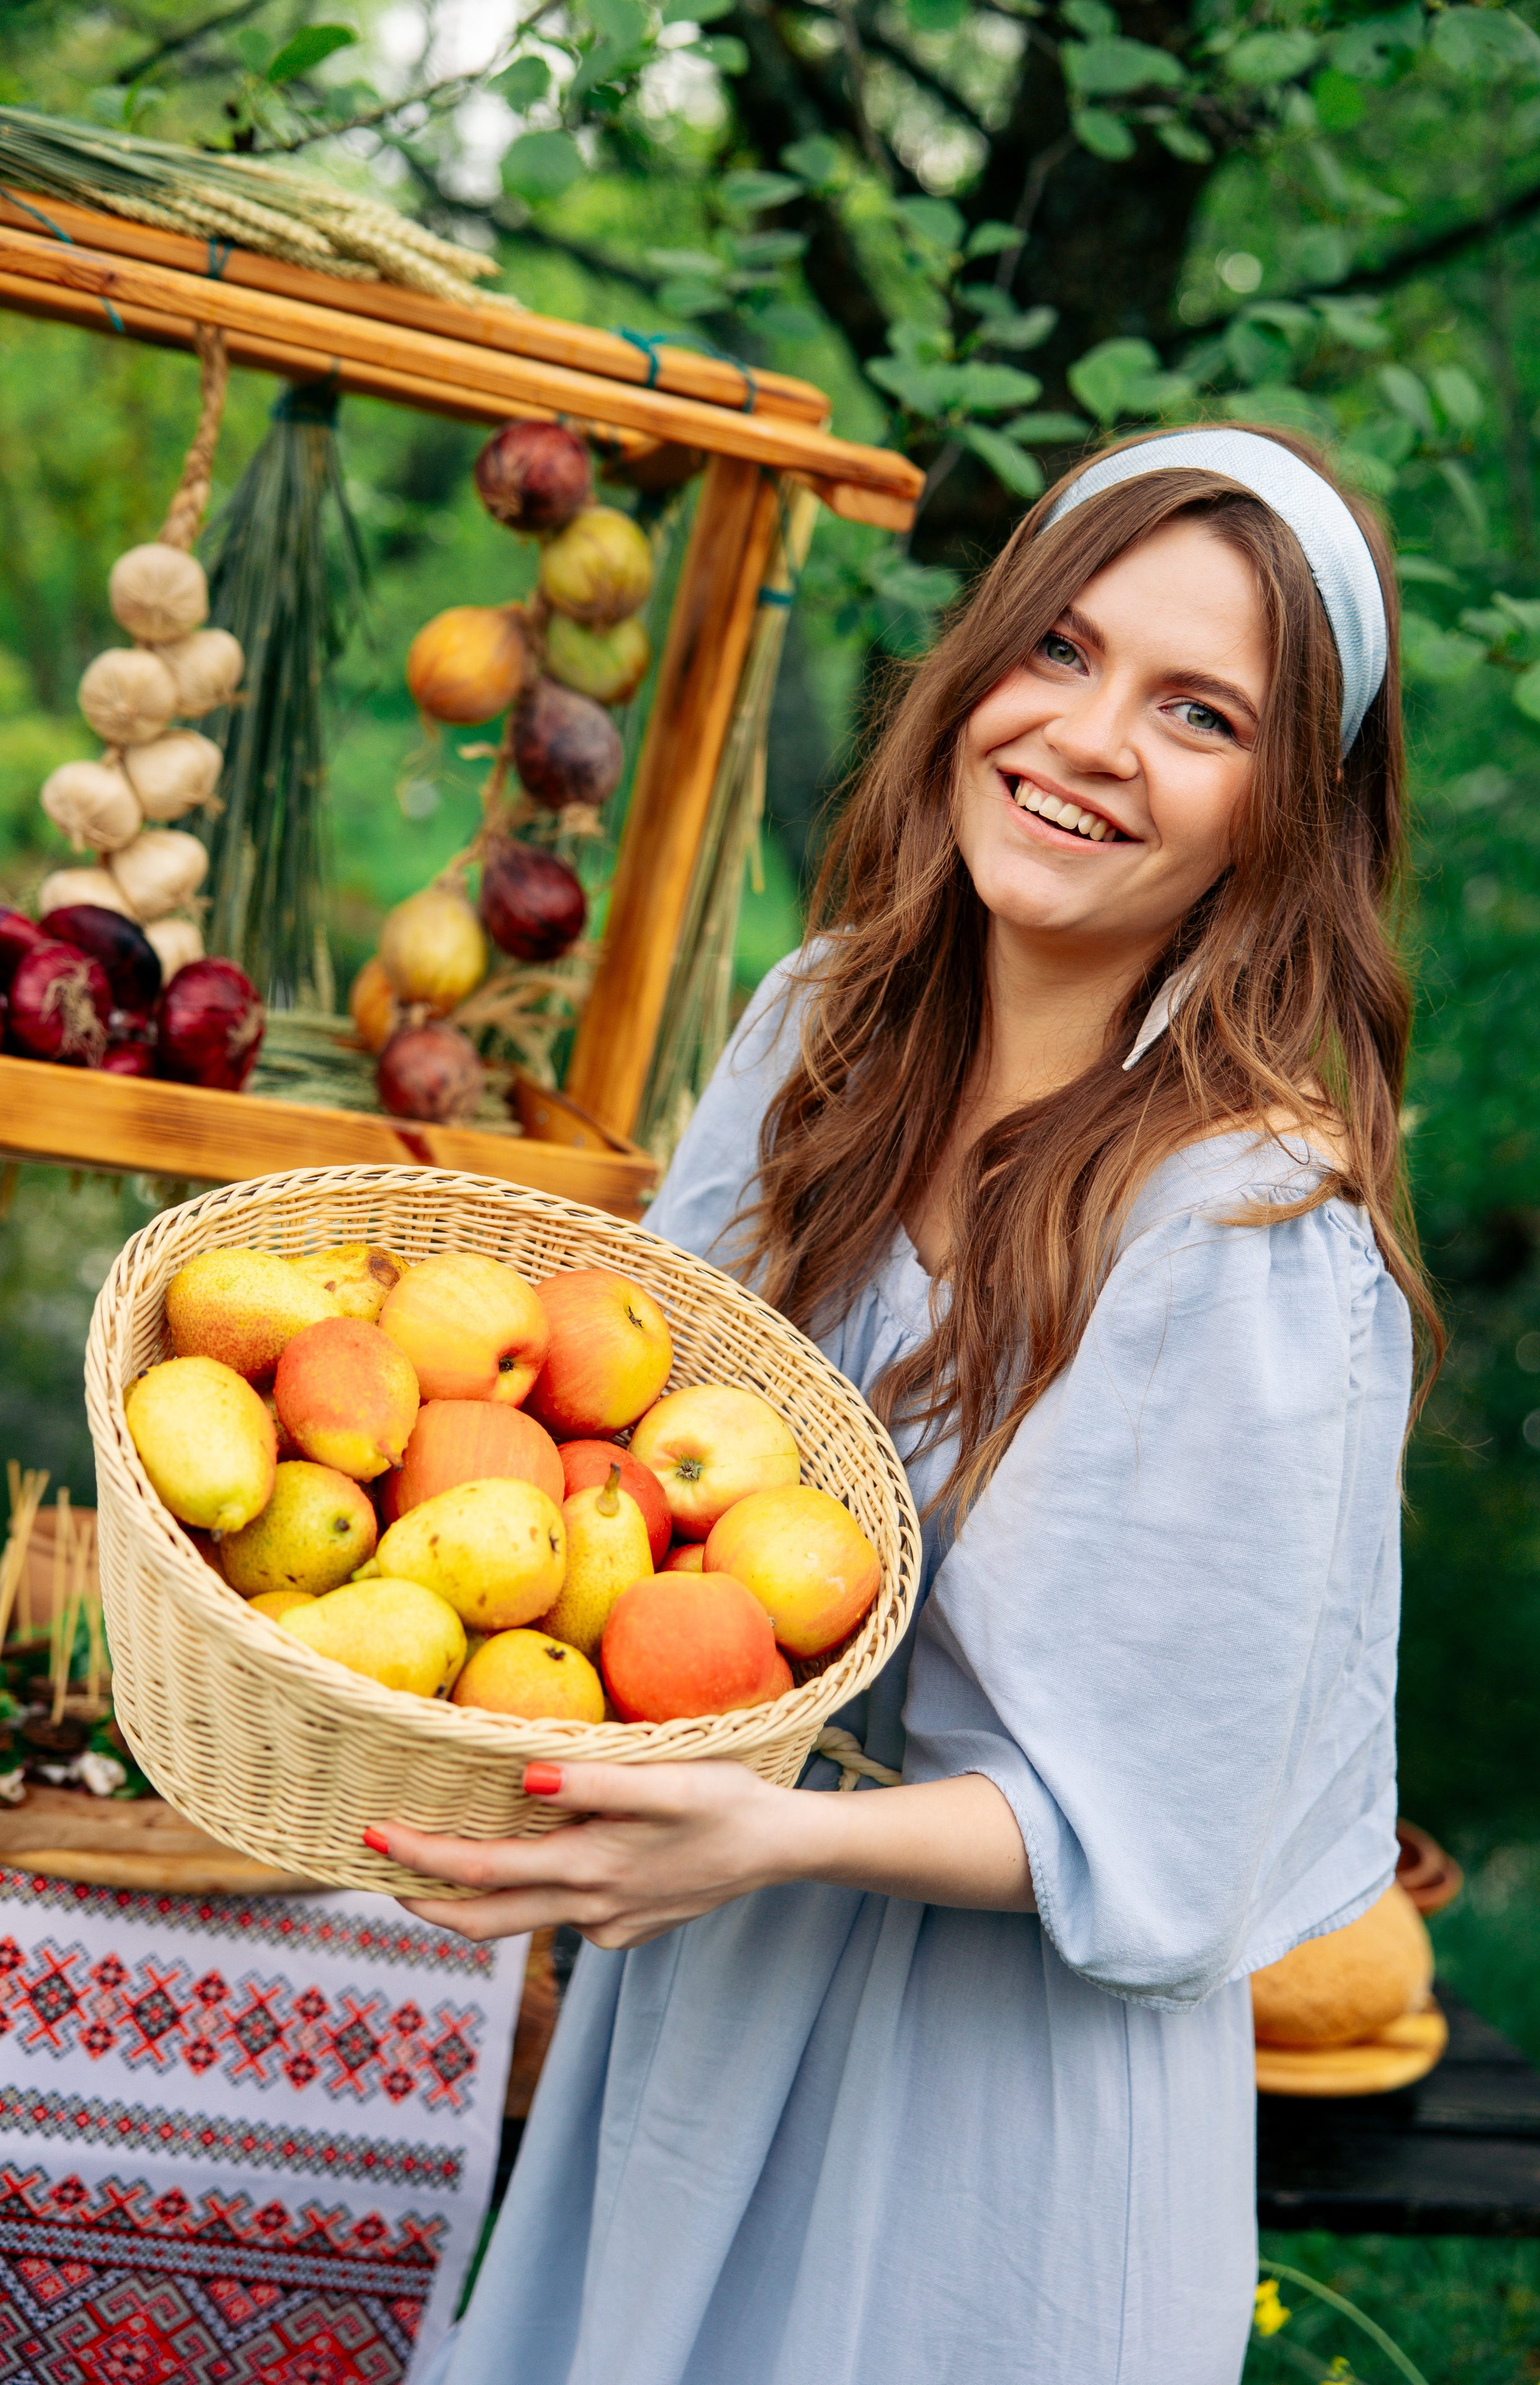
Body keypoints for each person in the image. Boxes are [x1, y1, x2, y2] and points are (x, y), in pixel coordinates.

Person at [379, 425, 1439, 2385]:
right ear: (974, 671)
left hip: (992, 2108)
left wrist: (764, 1844)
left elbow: (1163, 1833)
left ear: (1280, 815)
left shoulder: (1242, 1220)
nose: (1090, 737)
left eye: (1198, 711)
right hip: (709, 1998)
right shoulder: (820, 1036)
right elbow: (633, 1478)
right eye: (1060, 647)